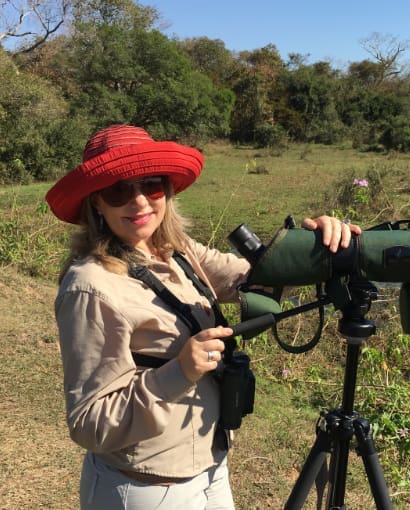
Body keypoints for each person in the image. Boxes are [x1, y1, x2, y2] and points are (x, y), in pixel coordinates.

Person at [45, 124, 361, 510]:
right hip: (146, 486)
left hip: (210, 463)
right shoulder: (91, 285)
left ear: (167, 189)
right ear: (96, 202)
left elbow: (254, 278)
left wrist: (317, 247)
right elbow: (90, 423)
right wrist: (179, 371)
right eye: (118, 190)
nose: (140, 201)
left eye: (151, 184)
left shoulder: (174, 250)